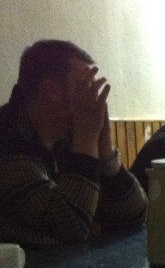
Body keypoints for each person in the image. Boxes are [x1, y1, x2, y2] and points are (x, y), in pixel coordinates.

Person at [0, 39, 147, 246]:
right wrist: (87, 136)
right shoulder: (7, 138)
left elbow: (135, 216)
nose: (95, 99)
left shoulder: (67, 140)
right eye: (86, 87)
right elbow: (71, 226)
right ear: (51, 90)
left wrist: (106, 154)